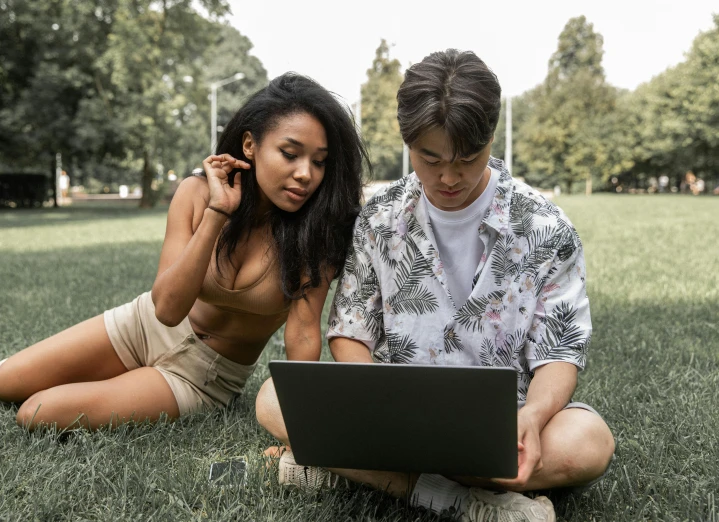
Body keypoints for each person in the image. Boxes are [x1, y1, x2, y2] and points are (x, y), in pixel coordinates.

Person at [256, 50, 615, 521]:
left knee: (590, 443)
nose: (448, 177)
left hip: (504, 424)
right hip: (393, 416)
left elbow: (559, 355)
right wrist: (370, 399)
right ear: (408, 143)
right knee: (272, 399)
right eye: (430, 158)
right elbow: (351, 331)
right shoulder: (379, 218)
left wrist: (532, 417)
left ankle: (347, 469)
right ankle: (454, 497)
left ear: (491, 137)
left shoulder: (547, 226)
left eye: (468, 158)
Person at [0, 73, 367, 430]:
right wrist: (218, 212)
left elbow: (302, 335)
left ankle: (128, 385)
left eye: (319, 162)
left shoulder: (319, 232)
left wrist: (299, 427)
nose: (306, 173)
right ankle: (115, 378)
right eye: (290, 154)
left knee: (37, 412)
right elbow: (167, 310)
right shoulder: (197, 192)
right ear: (250, 145)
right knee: (4, 383)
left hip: (203, 376)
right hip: (142, 327)